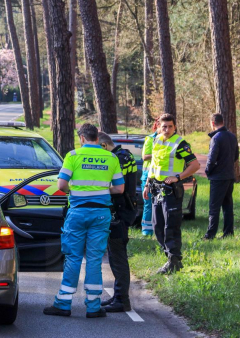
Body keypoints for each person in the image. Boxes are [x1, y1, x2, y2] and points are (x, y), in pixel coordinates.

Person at [44, 123, 125, 319]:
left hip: (78, 213)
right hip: (100, 214)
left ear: (81, 138)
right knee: (95, 259)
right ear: (97, 138)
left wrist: (76, 191)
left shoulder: (73, 156)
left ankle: (63, 304)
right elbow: (119, 189)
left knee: (73, 258)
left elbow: (62, 185)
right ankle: (94, 307)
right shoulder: (111, 157)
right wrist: (102, 191)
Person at [142, 113, 200, 274]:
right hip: (155, 188)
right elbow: (153, 165)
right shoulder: (156, 141)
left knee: (170, 226)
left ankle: (174, 260)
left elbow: (195, 165)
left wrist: (177, 177)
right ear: (158, 127)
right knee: (157, 225)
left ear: (175, 127)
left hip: (171, 191)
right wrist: (147, 185)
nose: (166, 129)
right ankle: (170, 258)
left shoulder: (180, 143)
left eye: (170, 126)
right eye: (164, 126)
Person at [97, 132, 137, 313]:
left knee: (118, 256)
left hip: (119, 212)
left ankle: (122, 299)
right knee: (114, 256)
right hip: (124, 211)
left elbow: (117, 188)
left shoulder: (117, 159)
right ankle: (118, 296)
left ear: (104, 146)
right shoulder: (125, 155)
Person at [203, 113, 238, 240]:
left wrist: (208, 171)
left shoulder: (216, 138)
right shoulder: (232, 137)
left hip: (218, 177)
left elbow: (211, 159)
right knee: (228, 206)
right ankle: (228, 233)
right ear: (222, 121)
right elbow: (236, 156)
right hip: (229, 176)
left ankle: (210, 235)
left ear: (212, 123)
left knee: (214, 207)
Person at [140, 118, 159, 236]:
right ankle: (146, 231)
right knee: (148, 204)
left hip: (162, 176)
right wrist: (159, 154)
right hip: (148, 175)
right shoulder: (150, 138)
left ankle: (158, 230)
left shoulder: (171, 140)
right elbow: (144, 157)